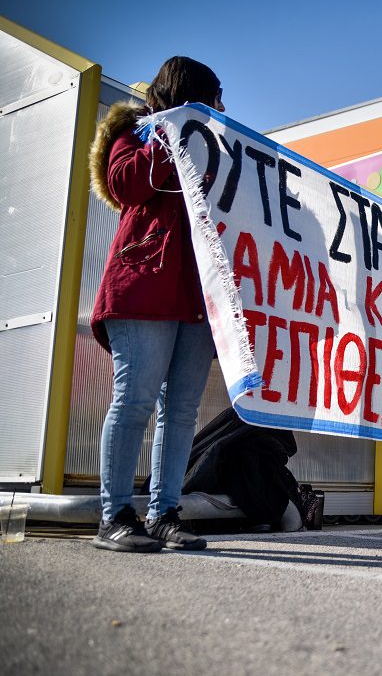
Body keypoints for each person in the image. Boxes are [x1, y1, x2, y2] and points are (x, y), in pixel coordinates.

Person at [88, 57, 225, 552]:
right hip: (143, 288)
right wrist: (176, 133)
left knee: (181, 410)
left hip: (194, 300)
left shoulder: (217, 148)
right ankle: (115, 514)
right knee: (136, 401)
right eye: (213, 98)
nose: (221, 109)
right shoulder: (136, 136)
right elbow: (127, 184)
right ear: (188, 97)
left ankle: (165, 511)